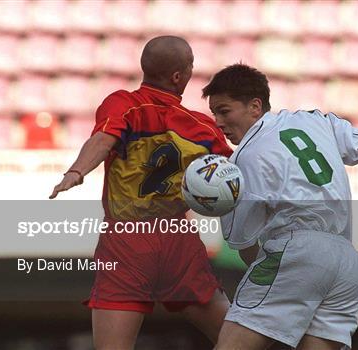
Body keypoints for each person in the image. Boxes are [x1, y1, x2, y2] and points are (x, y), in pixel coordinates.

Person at [202, 64, 358, 350]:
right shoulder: (316, 120)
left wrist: (283, 275)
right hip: (346, 262)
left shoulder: (243, 158)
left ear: (255, 107)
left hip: (296, 251)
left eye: (224, 111)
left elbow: (243, 244)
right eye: (215, 114)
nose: (219, 122)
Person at [49, 36, 232, 349]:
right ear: (179, 76)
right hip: (178, 241)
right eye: (190, 66)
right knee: (237, 341)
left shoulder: (121, 103)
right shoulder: (203, 127)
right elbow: (237, 173)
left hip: (126, 244)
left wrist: (76, 171)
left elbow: (103, 140)